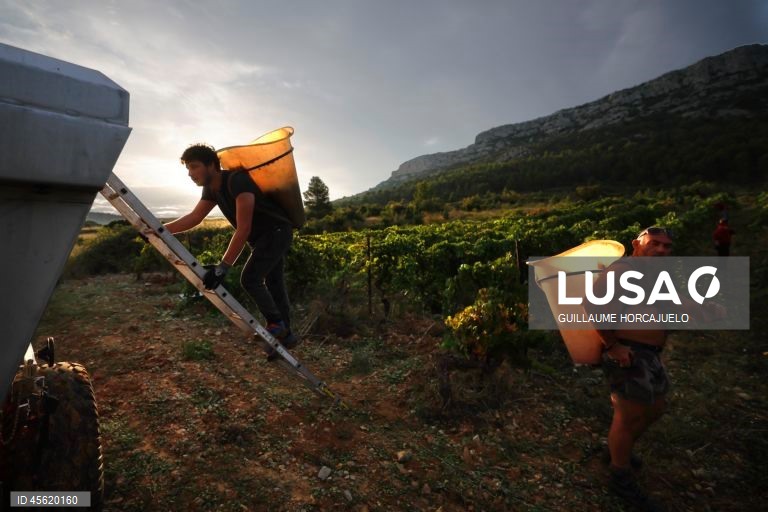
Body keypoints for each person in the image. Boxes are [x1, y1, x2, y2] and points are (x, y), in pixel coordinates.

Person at [165, 143, 297, 359]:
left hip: (276, 232)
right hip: (262, 238)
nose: (190, 174)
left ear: (211, 165)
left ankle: (277, 325)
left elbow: (243, 228)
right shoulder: (211, 189)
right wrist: (159, 230)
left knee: (251, 279)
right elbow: (195, 217)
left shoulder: (237, 180)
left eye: (194, 167)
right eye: (188, 169)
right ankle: (286, 336)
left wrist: (222, 268)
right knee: (274, 284)